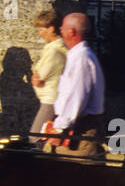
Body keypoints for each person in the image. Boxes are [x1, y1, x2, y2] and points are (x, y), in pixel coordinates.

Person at [44, 12, 105, 156]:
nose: (60, 30)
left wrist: (60, 128)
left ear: (72, 31)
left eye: (63, 27)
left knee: (75, 172)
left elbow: (76, 96)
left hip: (80, 130)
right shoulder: (78, 56)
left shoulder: (81, 58)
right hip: (78, 126)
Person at [27, 9, 66, 144]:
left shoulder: (54, 52)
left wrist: (37, 78)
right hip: (54, 98)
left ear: (51, 29)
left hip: (50, 100)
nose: (40, 34)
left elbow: (39, 78)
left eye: (41, 30)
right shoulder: (58, 48)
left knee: (35, 136)